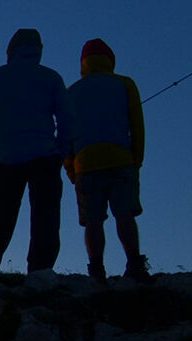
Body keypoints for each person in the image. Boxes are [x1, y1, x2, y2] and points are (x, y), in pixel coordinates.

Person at [0, 28, 75, 274]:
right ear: (39, 50)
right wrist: (61, 151)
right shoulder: (50, 77)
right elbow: (67, 118)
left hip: (6, 160)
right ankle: (40, 272)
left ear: (10, 50)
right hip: (46, 157)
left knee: (2, 218)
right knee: (46, 218)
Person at [65, 38, 150, 284]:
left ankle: (96, 270)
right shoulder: (124, 84)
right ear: (110, 60)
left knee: (92, 221)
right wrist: (137, 159)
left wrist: (71, 168)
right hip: (121, 159)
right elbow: (137, 126)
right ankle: (134, 264)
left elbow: (65, 134)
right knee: (125, 214)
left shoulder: (72, 92)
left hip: (85, 163)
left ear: (83, 63)